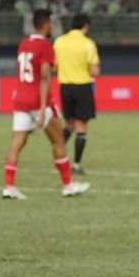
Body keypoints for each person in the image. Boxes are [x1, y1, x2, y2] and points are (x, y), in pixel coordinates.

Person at [2, 9, 90, 200]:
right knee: (58, 141)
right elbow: (44, 78)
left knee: (16, 142)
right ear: (44, 24)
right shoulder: (45, 46)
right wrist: (43, 108)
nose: (52, 26)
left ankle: (9, 186)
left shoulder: (24, 44)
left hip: (21, 100)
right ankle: (68, 185)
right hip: (39, 101)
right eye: (50, 22)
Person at [53, 13, 100, 174]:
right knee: (81, 127)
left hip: (65, 87)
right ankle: (76, 165)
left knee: (69, 123)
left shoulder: (59, 41)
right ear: (85, 26)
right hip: (82, 87)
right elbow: (95, 70)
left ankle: (57, 157)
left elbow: (54, 66)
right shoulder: (88, 43)